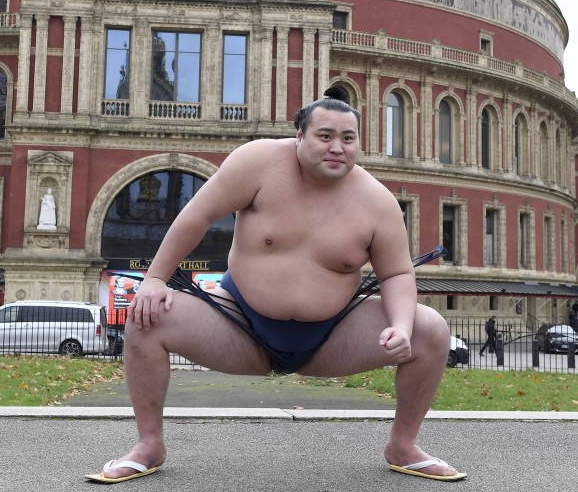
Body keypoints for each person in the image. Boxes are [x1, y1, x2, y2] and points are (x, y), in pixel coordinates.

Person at [86, 86, 465, 484]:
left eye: (348, 138)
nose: (337, 147)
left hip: (332, 336)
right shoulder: (257, 163)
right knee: (144, 317)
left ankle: (403, 445)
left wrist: (401, 326)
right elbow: (196, 216)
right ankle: (149, 444)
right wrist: (155, 279)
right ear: (299, 135)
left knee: (430, 329)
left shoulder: (378, 201)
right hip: (239, 324)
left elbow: (397, 274)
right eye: (325, 136)